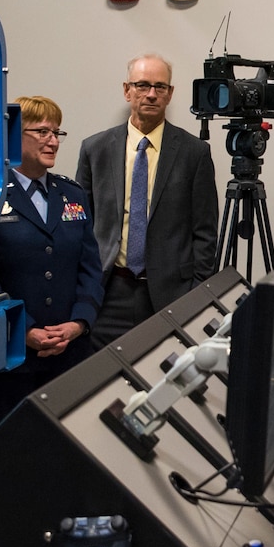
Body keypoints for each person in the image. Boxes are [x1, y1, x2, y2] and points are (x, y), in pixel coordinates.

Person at [0, 96, 103, 440]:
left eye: (57, 132)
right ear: (13, 136)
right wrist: (23, 330)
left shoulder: (72, 195)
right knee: (8, 459)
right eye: (42, 131)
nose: (53, 140)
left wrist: (79, 322)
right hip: (7, 359)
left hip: (69, 355)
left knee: (67, 458)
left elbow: (90, 268)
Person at [74, 54, 219, 341]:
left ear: (170, 94)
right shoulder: (95, 149)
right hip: (107, 292)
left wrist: (194, 293)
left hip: (170, 296)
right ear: (127, 90)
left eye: (160, 87)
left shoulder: (194, 153)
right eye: (142, 85)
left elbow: (205, 230)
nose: (151, 94)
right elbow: (80, 226)